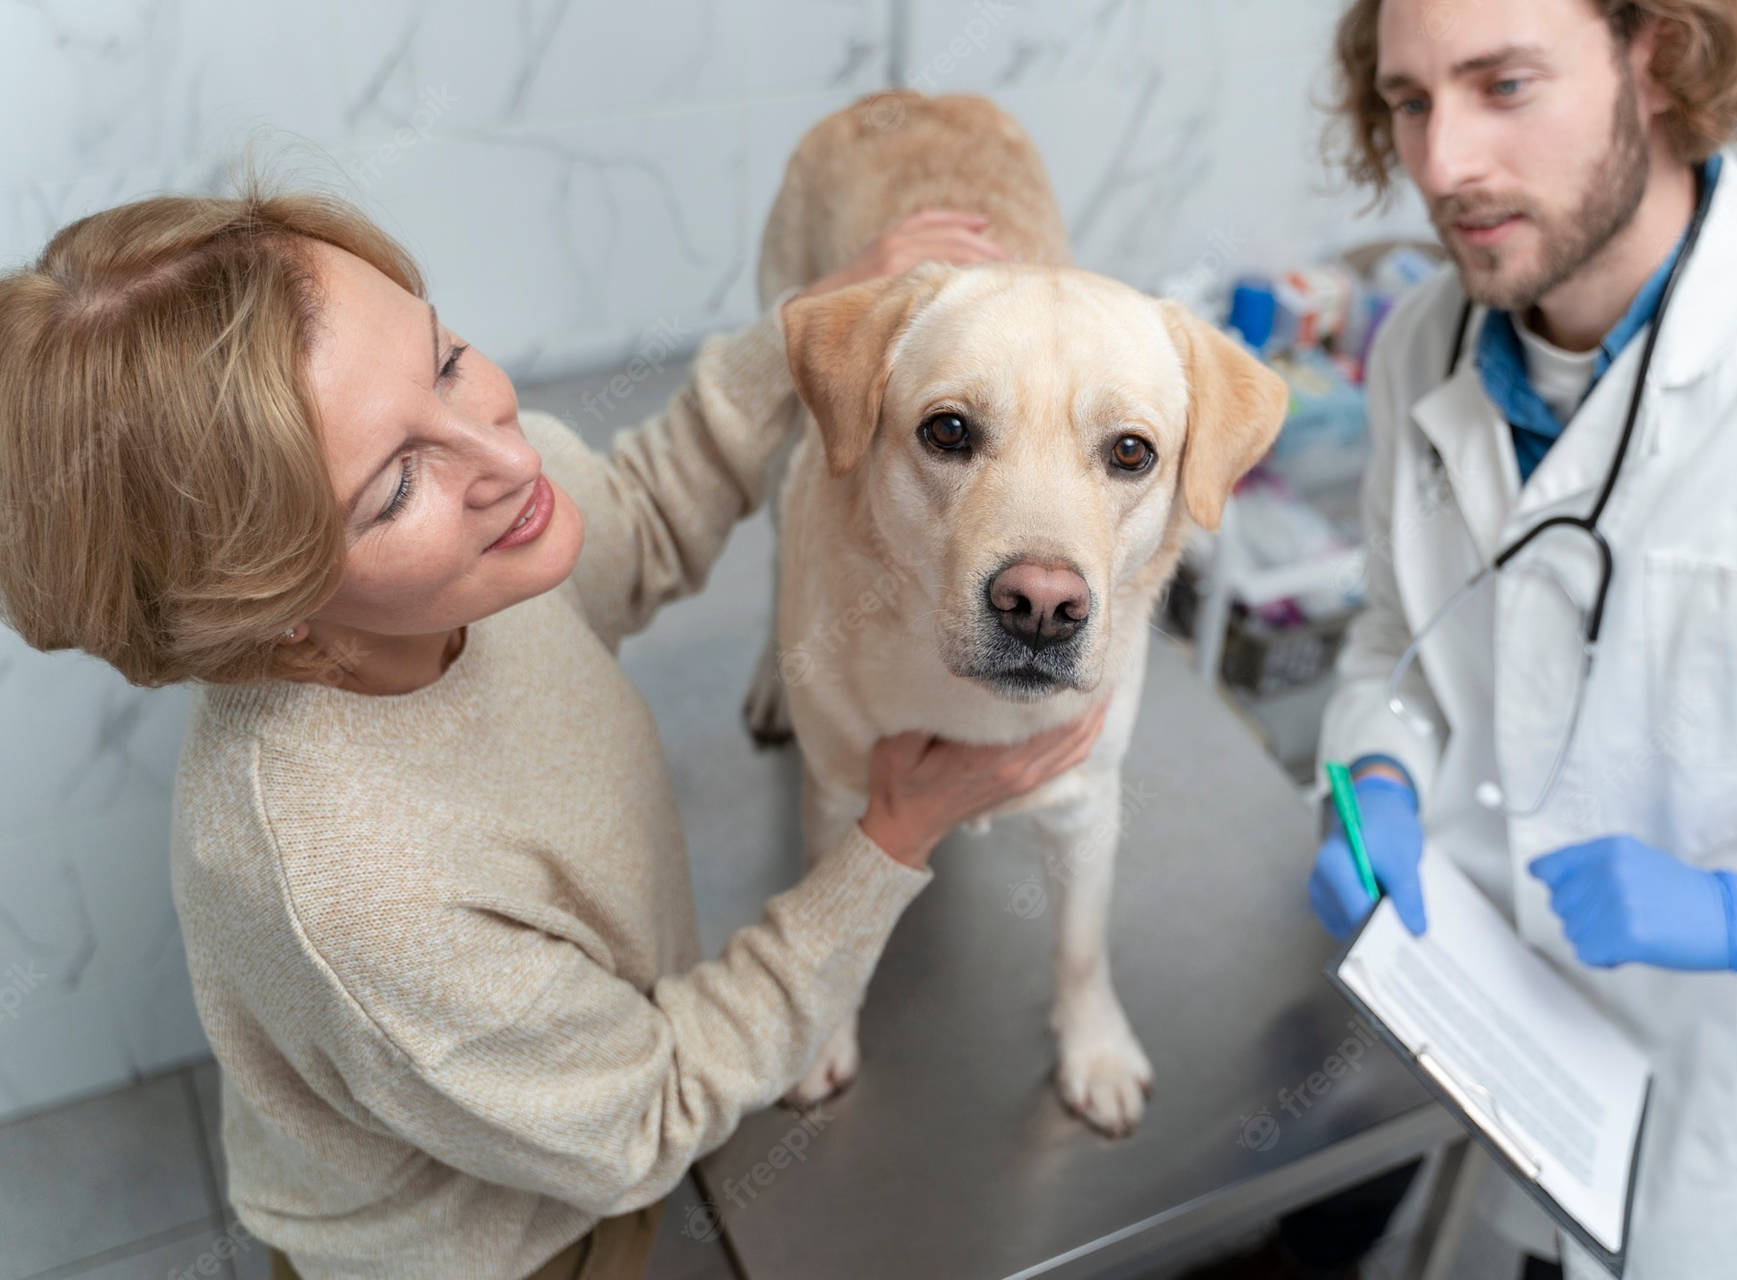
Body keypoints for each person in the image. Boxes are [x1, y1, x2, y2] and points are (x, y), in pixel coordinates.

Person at [0, 188, 1107, 1279]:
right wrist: (892, 842)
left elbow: (633, 509)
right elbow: (648, 1117)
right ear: (272, 601)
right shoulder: (359, 895)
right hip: (507, 1246)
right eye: (393, 487)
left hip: (568, 1112)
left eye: (444, 357)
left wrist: (815, 324)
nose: (510, 456)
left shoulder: (467, 547)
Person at [1302, 0, 1737, 1277]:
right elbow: (1392, 643)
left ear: (1658, 55)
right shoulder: (1427, 345)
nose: (1443, 162)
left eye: (1504, 86)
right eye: (1412, 101)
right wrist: (1377, 776)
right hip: (1501, 1045)